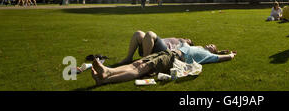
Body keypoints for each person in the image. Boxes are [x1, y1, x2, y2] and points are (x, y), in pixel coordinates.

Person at [91, 42, 236, 85]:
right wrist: (222, 50)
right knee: (137, 63)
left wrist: (229, 54)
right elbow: (184, 42)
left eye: (213, 47)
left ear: (213, 51)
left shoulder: (208, 56)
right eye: (210, 44)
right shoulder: (197, 48)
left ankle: (107, 76)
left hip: (174, 59)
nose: (210, 45)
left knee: (140, 69)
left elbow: (223, 58)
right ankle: (106, 72)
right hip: (167, 54)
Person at [118, 30, 194, 65]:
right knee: (138, 34)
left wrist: (185, 41)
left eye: (189, 40)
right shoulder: (176, 38)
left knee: (150, 34)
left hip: (164, 51)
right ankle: (128, 58)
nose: (187, 38)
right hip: (153, 46)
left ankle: (144, 62)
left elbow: (185, 53)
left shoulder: (184, 45)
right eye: (187, 38)